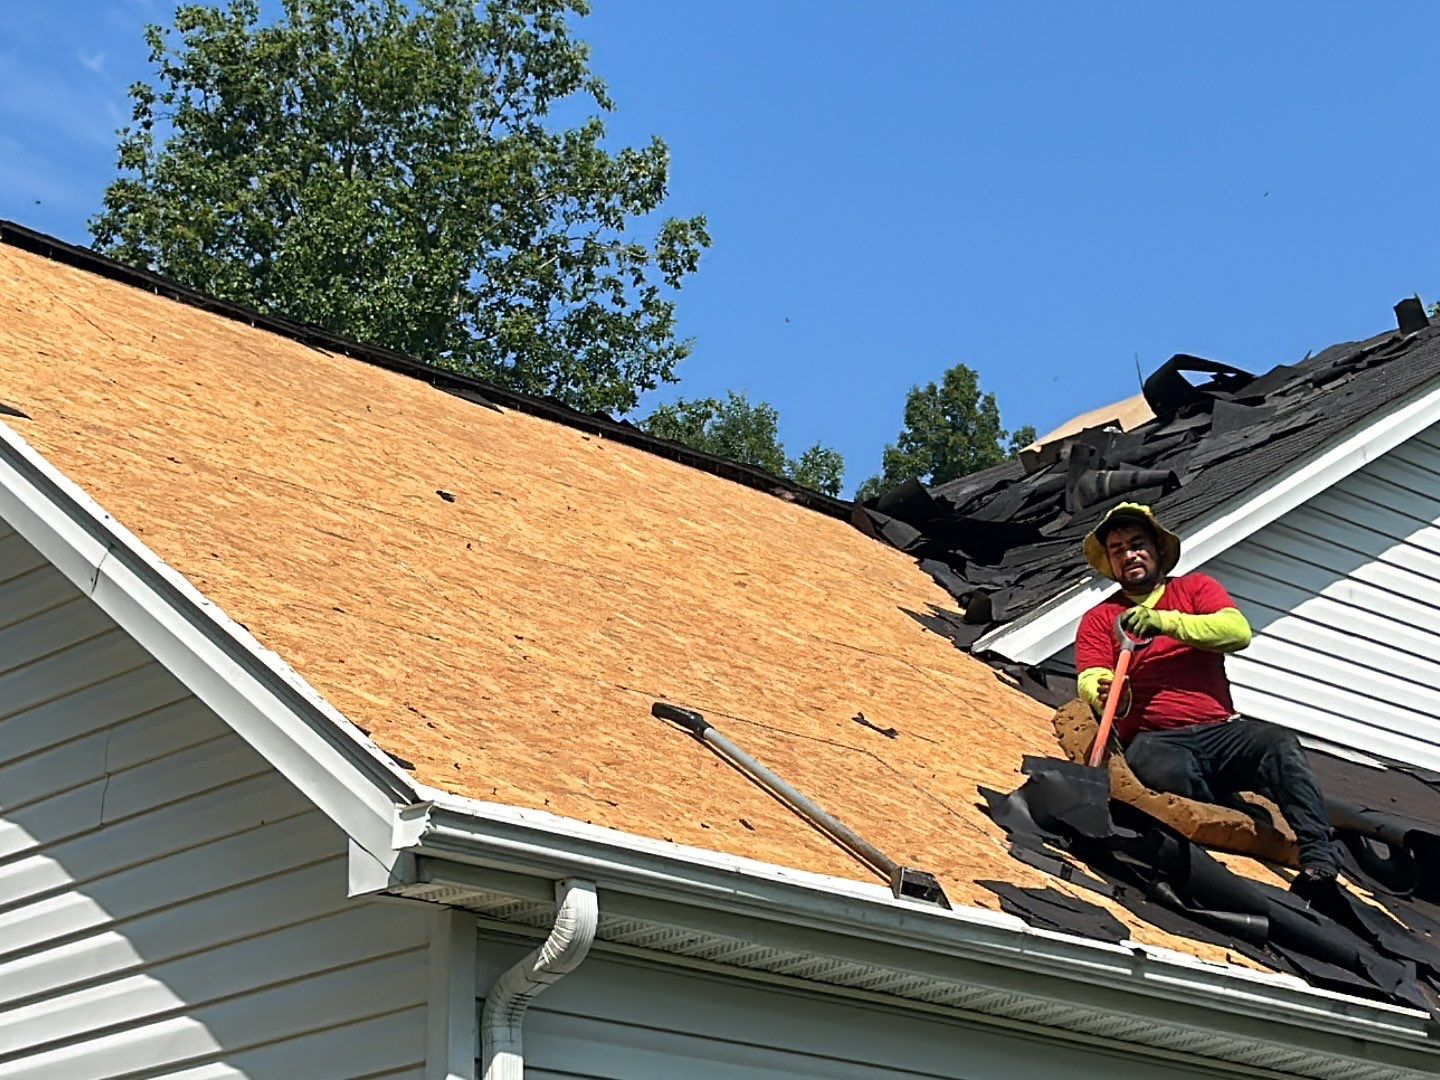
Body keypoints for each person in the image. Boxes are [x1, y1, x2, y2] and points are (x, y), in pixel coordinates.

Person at [1073, 502, 1340, 897]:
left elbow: (1236, 631)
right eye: (1117, 549)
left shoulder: (1195, 589)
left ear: (1157, 550)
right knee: (1157, 767)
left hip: (1219, 732)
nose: (1128, 554)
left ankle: (1319, 860)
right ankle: (1226, 807)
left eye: (1136, 543)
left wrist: (1165, 622)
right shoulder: (1100, 618)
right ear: (1110, 563)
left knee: (1277, 744)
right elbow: (1090, 674)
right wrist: (1106, 688)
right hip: (1155, 737)